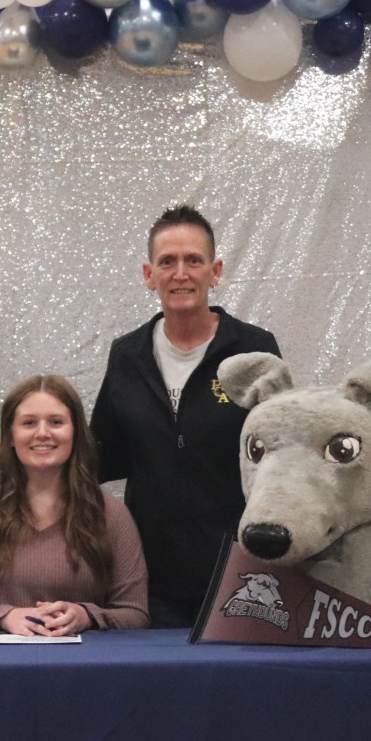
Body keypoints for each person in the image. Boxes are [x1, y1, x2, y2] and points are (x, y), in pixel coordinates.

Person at [90, 205, 281, 628]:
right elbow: (97, 457)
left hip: (243, 577)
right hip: (150, 582)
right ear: (149, 275)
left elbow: (285, 457)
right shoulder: (127, 355)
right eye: (167, 262)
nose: (181, 273)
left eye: (193, 260)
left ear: (215, 271)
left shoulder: (254, 349)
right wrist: (16, 483)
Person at [0, 374, 149, 634]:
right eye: (29, 423)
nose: (43, 433)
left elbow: (135, 614)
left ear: (76, 433)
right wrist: (4, 618)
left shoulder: (110, 515)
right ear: (10, 436)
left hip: (84, 658)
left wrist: (87, 616)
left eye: (56, 422)